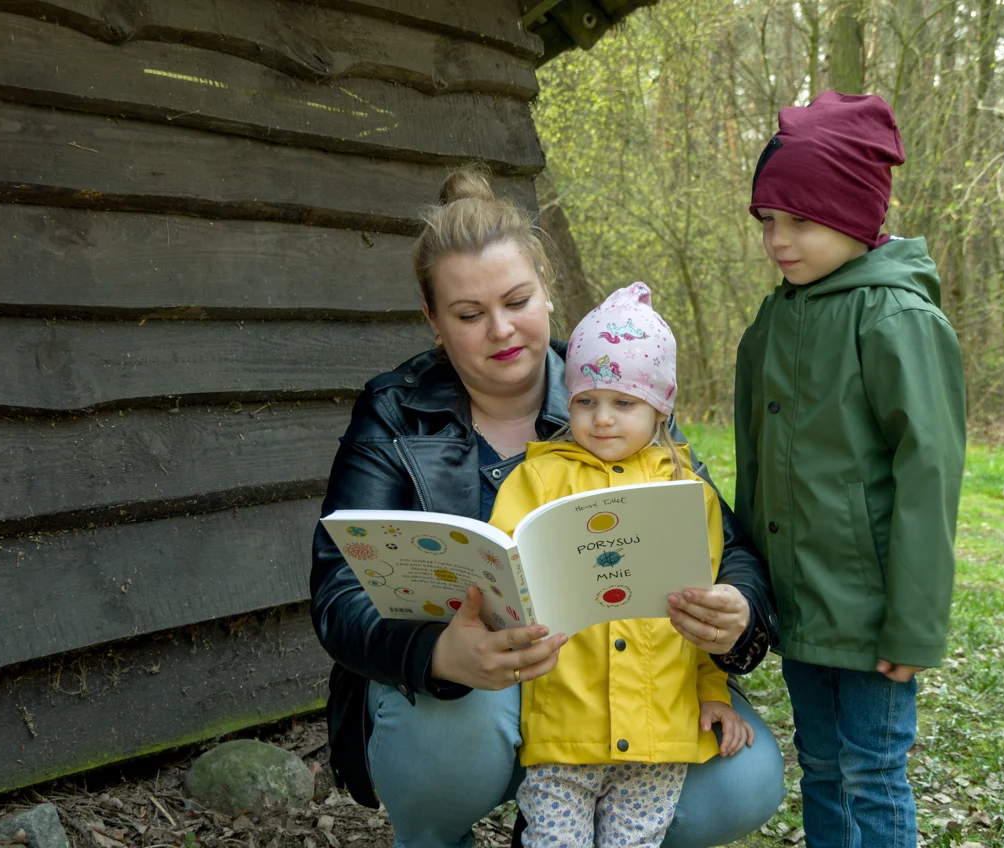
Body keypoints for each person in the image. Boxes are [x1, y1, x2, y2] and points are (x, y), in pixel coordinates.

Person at [310, 165, 784, 848]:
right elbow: (336, 592)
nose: (501, 330)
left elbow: (722, 539)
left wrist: (739, 606)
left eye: (518, 300)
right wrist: (439, 652)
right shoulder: (394, 414)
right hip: (465, 697)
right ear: (433, 322)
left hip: (614, 681)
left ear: (548, 289)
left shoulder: (618, 390)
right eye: (469, 315)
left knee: (748, 779)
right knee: (460, 724)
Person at [735, 91, 967, 848]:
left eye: (799, 220)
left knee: (872, 771)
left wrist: (914, 621)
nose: (778, 239)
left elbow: (929, 473)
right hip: (802, 606)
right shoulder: (774, 320)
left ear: (853, 216)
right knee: (823, 768)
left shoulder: (895, 319)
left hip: (871, 615)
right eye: (768, 220)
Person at [488, 283, 754, 848]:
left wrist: (715, 691)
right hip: (565, 728)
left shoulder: (687, 493)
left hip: (657, 733)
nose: (602, 419)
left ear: (661, 406)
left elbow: (699, 607)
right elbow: (502, 578)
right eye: (586, 401)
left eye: (624, 403)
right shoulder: (536, 480)